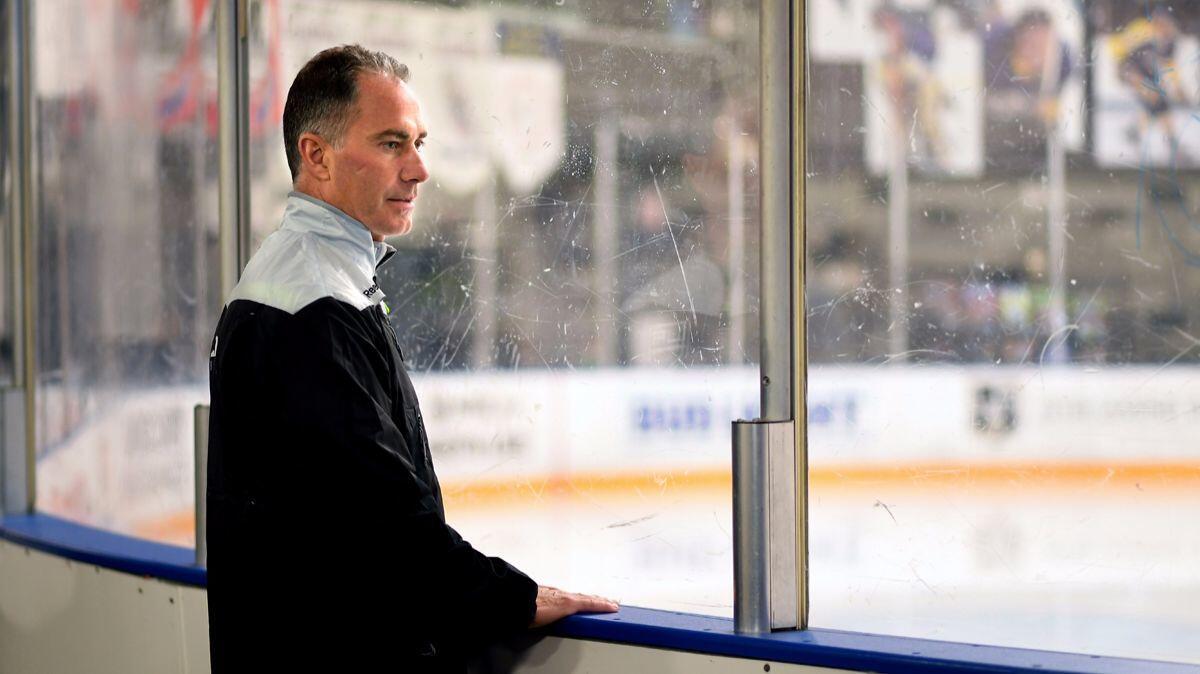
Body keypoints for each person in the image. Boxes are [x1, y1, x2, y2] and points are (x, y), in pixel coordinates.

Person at [205, 45, 618, 673]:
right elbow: (383, 524)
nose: (420, 169)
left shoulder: (319, 279)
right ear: (316, 155)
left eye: (418, 142)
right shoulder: (309, 307)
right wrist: (514, 596)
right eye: (393, 144)